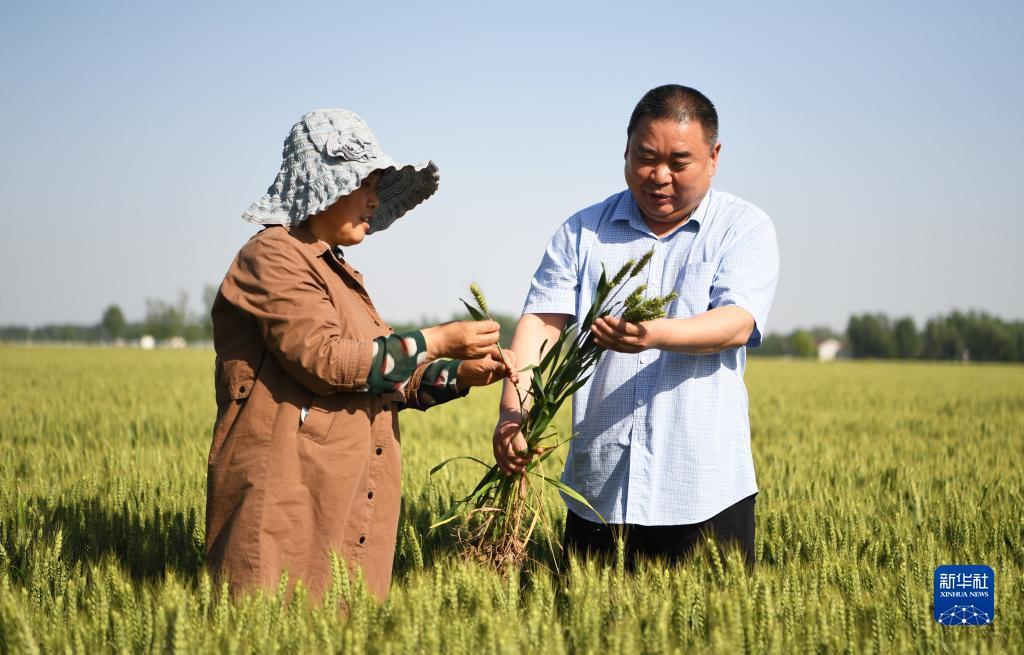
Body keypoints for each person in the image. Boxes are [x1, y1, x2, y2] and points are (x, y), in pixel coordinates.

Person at [206, 108, 515, 604]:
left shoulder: (338, 273)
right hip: (291, 498)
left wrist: (461, 374)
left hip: (345, 500)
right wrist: (436, 341)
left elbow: (381, 371)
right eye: (365, 183)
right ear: (324, 186)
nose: (374, 199)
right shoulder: (273, 256)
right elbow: (327, 361)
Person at [493, 85, 779, 568]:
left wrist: (653, 335)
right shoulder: (583, 230)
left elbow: (736, 322)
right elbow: (541, 323)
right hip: (599, 492)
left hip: (705, 492)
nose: (659, 176)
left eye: (679, 161)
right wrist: (511, 413)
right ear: (625, 150)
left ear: (714, 156)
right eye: (645, 158)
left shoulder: (744, 227)